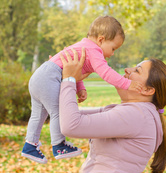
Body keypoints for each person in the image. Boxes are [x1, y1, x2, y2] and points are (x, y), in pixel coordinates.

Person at [21, 16, 142, 164]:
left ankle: (29, 145)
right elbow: (106, 73)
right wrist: (126, 84)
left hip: (39, 76)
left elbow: (76, 70)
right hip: (49, 77)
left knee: (38, 114)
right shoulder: (94, 51)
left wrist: (80, 87)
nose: (112, 54)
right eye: (113, 48)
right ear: (101, 40)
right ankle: (59, 146)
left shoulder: (84, 47)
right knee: (58, 111)